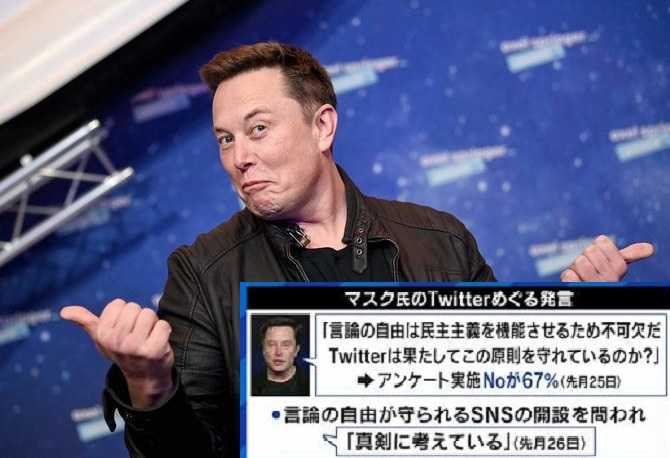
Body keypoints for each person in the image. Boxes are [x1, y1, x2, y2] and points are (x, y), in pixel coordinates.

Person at [60, 42, 655, 457]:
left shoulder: (441, 239)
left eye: (258, 128)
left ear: (322, 126)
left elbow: (499, 410)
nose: (239, 157)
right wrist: (149, 385)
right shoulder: (201, 273)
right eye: (225, 139)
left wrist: (577, 329)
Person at [251, 317, 309, 396]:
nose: (278, 352)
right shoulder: (247, 386)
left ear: (296, 350)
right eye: (271, 344)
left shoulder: (312, 386)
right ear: (263, 349)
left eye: (286, 345)